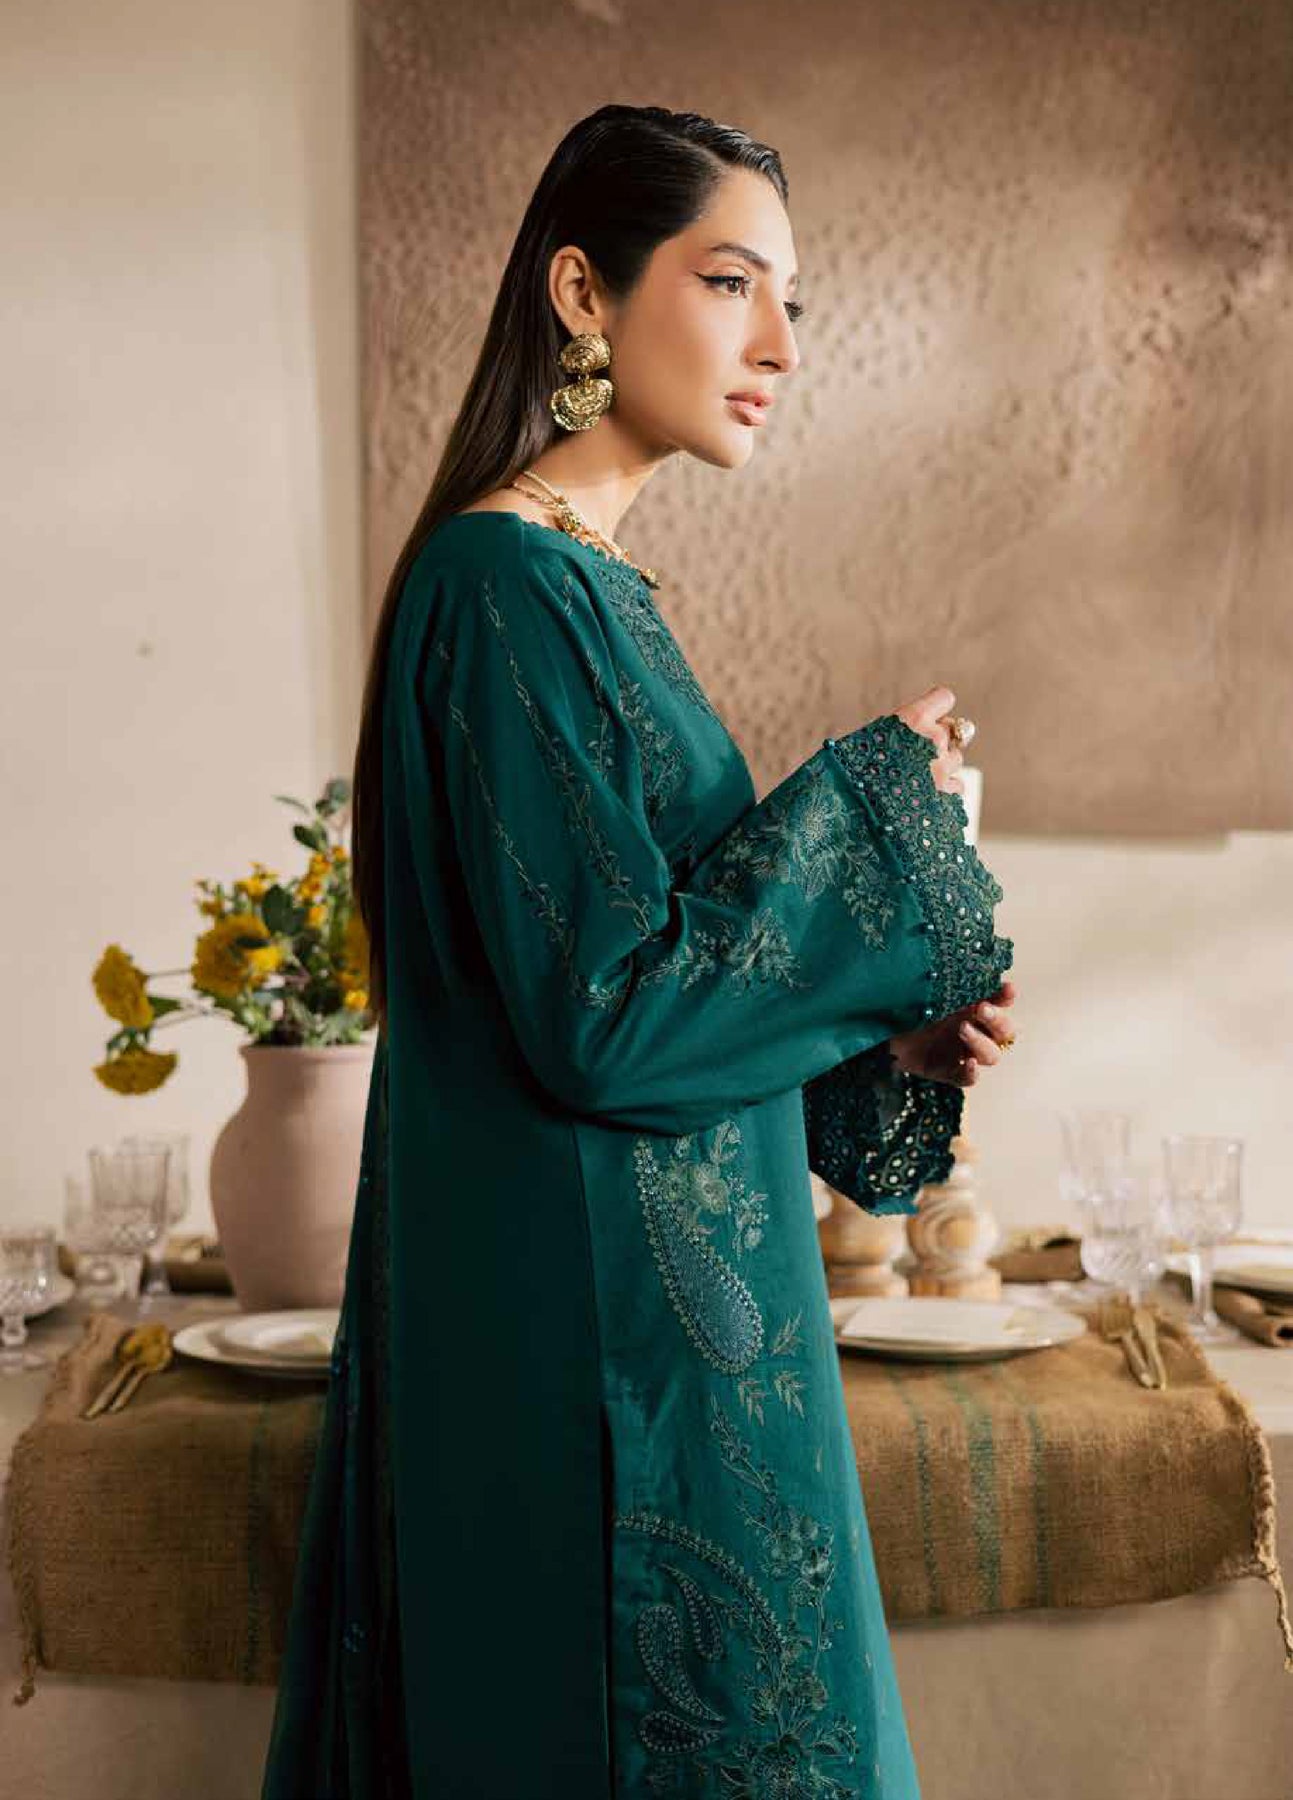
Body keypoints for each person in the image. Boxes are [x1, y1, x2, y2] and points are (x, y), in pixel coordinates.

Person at [260, 103, 1018, 1800]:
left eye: (791, 301)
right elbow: (599, 1023)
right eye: (731, 282)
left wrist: (874, 1032)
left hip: (668, 1339)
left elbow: (641, 978)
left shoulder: (586, 587)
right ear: (582, 293)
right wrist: (870, 811)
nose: (778, 347)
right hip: (594, 1367)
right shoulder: (506, 584)